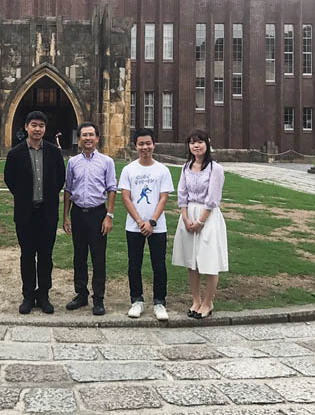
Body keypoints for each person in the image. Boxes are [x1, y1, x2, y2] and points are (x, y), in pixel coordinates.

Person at [4, 110, 66, 315]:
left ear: (45, 129)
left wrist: (46, 196)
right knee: (27, 255)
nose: (37, 129)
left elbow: (59, 179)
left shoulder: (54, 152)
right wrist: (24, 197)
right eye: (34, 125)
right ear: (26, 127)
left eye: (41, 125)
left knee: (46, 256)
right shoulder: (15, 153)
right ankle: (28, 295)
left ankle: (44, 295)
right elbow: (9, 180)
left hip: (47, 213)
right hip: (25, 213)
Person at [118, 128, 174, 321]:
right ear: (136, 146)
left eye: (148, 143)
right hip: (134, 226)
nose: (145, 147)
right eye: (141, 144)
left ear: (153, 144)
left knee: (159, 265)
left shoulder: (162, 170)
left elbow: (163, 197)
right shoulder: (129, 169)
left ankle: (159, 302)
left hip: (157, 226)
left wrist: (152, 221)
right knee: (135, 264)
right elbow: (126, 198)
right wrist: (141, 222)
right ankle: (137, 300)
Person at [172, 129, 228, 320]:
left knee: (208, 260)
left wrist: (201, 221)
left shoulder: (215, 169)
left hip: (208, 217)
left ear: (207, 144)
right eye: (192, 142)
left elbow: (213, 199)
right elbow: (182, 194)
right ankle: (195, 300)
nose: (196, 146)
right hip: (188, 215)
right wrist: (186, 217)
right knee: (192, 261)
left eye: (200, 142)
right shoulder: (186, 166)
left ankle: (208, 302)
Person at [62, 122, 117, 316]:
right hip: (78, 213)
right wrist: (65, 217)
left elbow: (111, 189)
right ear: (79, 139)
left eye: (91, 135)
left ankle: (99, 298)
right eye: (84, 135)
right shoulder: (72, 162)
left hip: (97, 214)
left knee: (98, 257)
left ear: (97, 138)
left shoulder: (106, 162)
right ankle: (81, 294)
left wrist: (108, 216)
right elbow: (68, 190)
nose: (87, 138)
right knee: (79, 256)